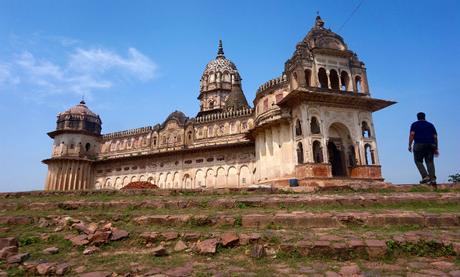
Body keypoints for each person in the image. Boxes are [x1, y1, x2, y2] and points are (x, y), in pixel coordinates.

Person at [408, 112, 438, 188]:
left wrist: (409, 145)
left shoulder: (415, 124)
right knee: (430, 162)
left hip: (419, 144)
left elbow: (412, 134)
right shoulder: (430, 125)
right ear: (425, 117)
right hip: (430, 145)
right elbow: (435, 137)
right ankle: (433, 179)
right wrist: (436, 147)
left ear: (417, 117)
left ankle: (425, 176)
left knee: (418, 161)